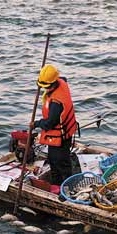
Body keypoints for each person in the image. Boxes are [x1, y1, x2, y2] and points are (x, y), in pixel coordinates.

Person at [33, 64, 78, 193]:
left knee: (59, 163)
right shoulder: (61, 82)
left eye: (47, 87)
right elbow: (63, 78)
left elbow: (49, 124)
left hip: (60, 138)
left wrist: (35, 124)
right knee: (57, 160)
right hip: (66, 133)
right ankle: (56, 185)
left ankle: (66, 189)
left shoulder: (56, 103)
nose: (45, 89)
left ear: (53, 83)